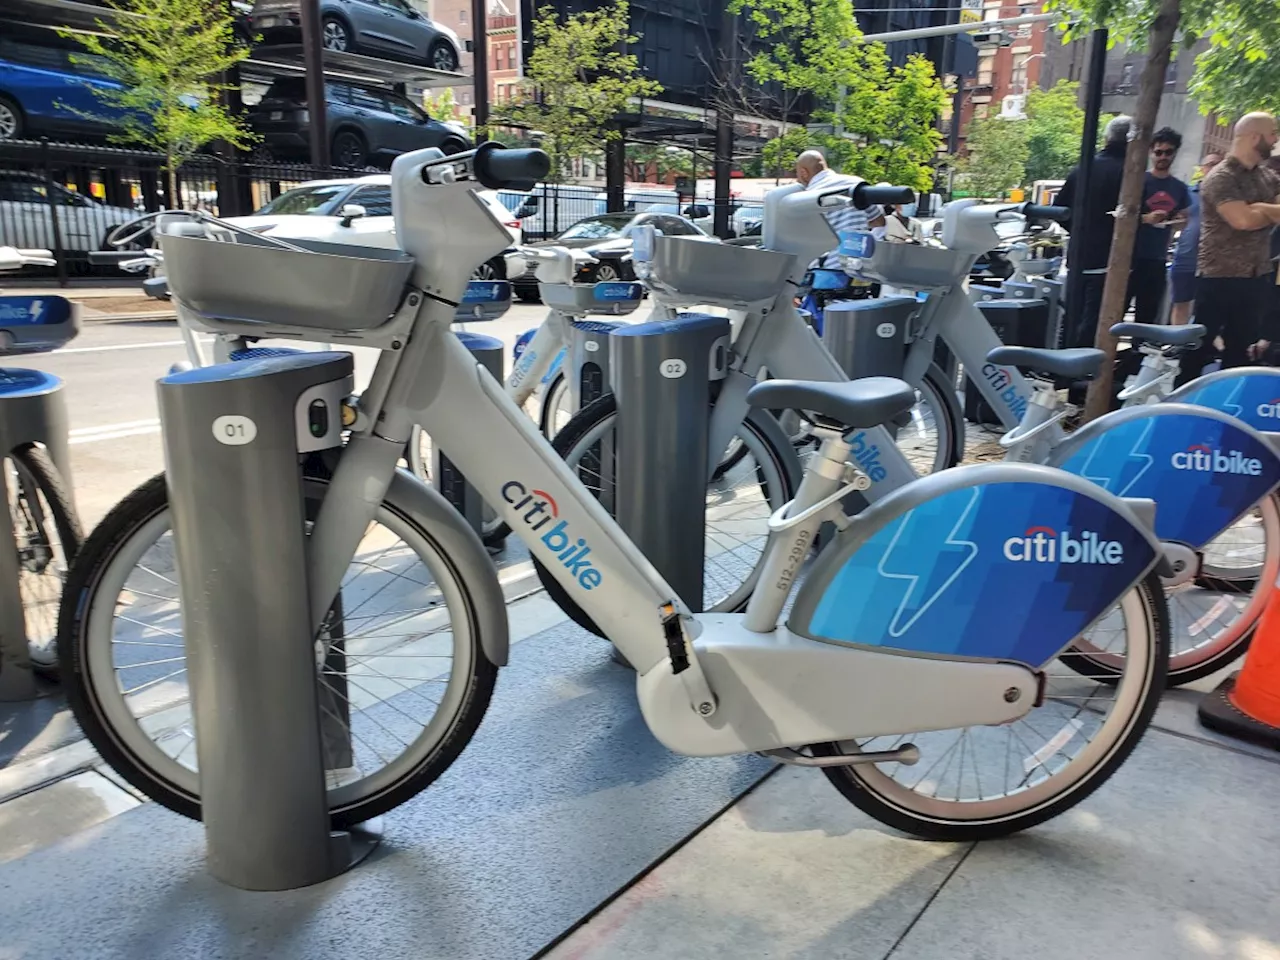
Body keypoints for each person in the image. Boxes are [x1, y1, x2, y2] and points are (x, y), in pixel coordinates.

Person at [1176, 112, 1280, 386]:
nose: (1276, 139)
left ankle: (1228, 409)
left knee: (1243, 353)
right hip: (1219, 275)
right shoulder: (1220, 177)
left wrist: (1259, 207)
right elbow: (1242, 220)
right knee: (1198, 350)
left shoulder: (1268, 176)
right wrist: (1265, 211)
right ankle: (1180, 405)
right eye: (1273, 133)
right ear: (1255, 136)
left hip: (1257, 275)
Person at [1057, 115, 1132, 348]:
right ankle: (1084, 373)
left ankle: (1062, 368)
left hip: (1079, 256)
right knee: (1098, 321)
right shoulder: (1130, 174)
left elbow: (1059, 211)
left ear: (1107, 137)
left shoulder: (1083, 168)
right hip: (1111, 258)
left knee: (1071, 316)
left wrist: (1080, 231)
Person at [1127, 127, 1191, 324]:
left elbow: (1184, 218)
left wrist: (1179, 221)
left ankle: (1137, 353)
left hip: (1157, 258)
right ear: (1151, 152)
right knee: (1118, 309)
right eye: (1158, 152)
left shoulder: (1179, 187)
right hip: (1131, 256)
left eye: (1168, 152)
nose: (1163, 156)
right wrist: (1146, 219)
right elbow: (1122, 216)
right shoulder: (1139, 181)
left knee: (1148, 314)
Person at [794, 150, 885, 269]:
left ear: (803, 173)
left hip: (828, 268)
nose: (798, 179)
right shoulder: (856, 184)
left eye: (797, 174)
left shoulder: (807, 197)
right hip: (860, 265)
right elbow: (879, 222)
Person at [1169, 151, 1223, 325]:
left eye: (1218, 164)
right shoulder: (1186, 193)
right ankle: (1177, 344)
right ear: (1202, 168)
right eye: (1210, 164)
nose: (1214, 168)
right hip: (1186, 258)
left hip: (1214, 263)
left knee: (1208, 309)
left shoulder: (1229, 197)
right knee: (1180, 304)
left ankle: (1200, 347)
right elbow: (1174, 220)